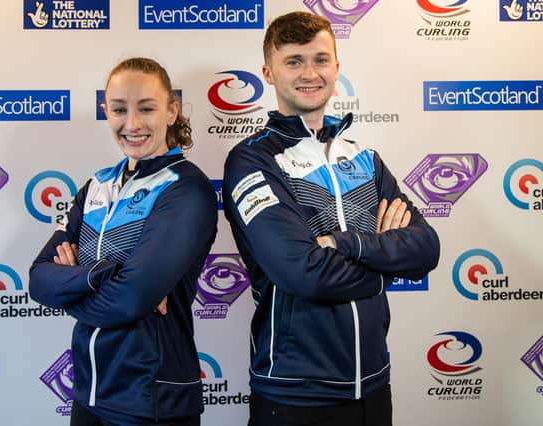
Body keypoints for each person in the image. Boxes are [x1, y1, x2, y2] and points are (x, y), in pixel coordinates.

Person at [222, 11, 440, 426]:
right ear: (268, 73)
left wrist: (346, 243)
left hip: (374, 385)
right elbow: (303, 272)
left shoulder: (364, 158)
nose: (310, 73)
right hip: (294, 392)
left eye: (320, 59)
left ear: (337, 68)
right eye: (294, 61)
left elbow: (426, 247)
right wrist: (385, 271)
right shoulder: (253, 160)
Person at [29, 57, 217, 426]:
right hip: (90, 393)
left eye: (146, 108)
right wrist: (105, 274)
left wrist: (72, 289)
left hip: (153, 399)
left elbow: (131, 298)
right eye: (119, 109)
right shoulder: (97, 186)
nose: (132, 124)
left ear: (171, 111)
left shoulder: (186, 189)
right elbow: (38, 278)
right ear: (107, 112)